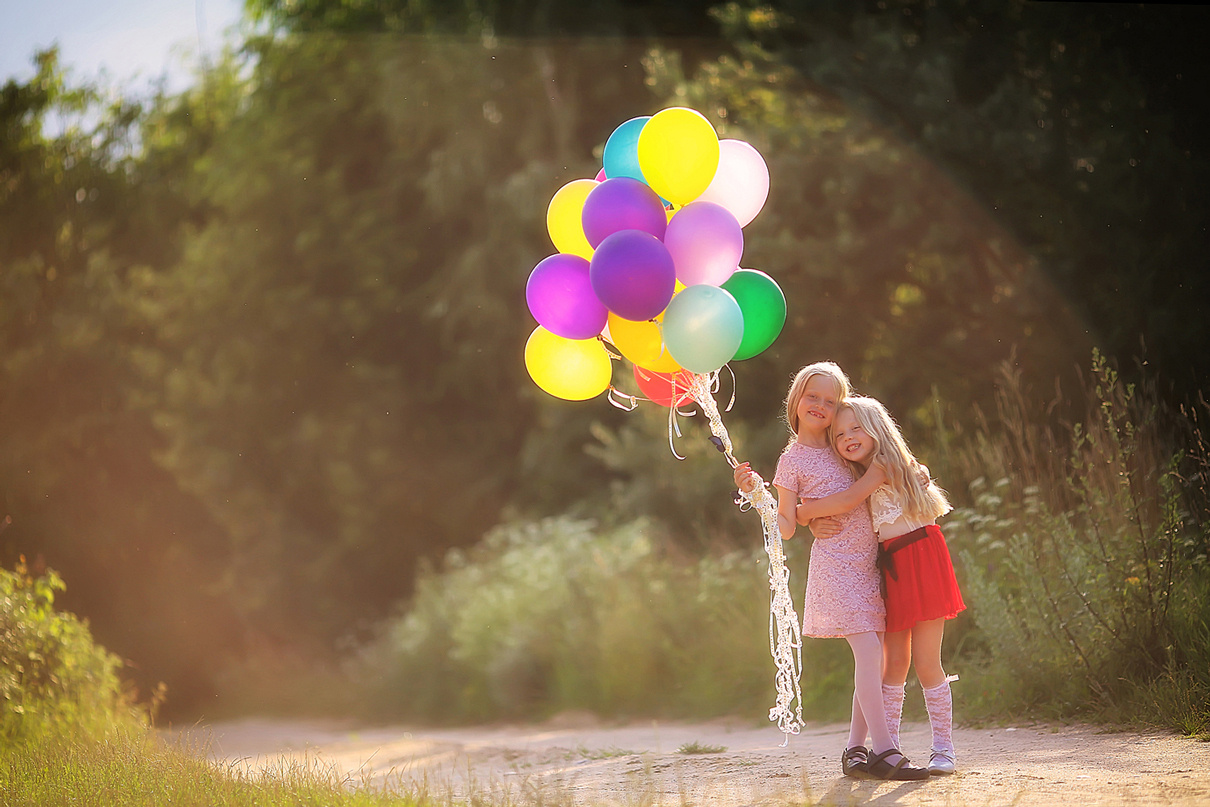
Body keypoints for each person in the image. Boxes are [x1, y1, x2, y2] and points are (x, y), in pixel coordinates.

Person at [734, 363, 929, 781]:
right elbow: (785, 526)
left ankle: (854, 751)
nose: (821, 406)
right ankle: (886, 750)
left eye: (830, 399)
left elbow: (883, 482)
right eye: (812, 397)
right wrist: (758, 496)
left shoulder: (846, 445)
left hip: (868, 564)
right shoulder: (792, 460)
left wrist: (915, 474)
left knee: (873, 659)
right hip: (836, 567)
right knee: (870, 652)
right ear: (796, 401)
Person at [809, 396, 966, 775]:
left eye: (856, 428)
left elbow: (907, 473)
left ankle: (943, 748)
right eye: (840, 433)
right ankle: (888, 749)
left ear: (877, 428)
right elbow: (843, 502)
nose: (847, 437)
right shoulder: (855, 476)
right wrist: (812, 521)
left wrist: (804, 513)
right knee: (893, 662)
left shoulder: (888, 464)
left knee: (928, 662)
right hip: (890, 567)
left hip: (923, 559)